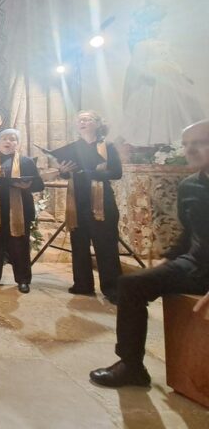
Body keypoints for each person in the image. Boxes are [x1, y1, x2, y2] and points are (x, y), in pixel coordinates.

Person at [90, 119, 209, 388]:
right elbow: (189, 233)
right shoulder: (190, 186)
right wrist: (169, 259)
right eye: (187, 144)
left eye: (199, 143)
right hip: (196, 265)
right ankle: (131, 366)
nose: (190, 150)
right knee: (131, 284)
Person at [58, 111, 123, 303]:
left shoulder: (107, 146)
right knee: (79, 244)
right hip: (77, 200)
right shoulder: (73, 148)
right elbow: (67, 173)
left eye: (86, 119)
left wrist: (91, 173)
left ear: (97, 123)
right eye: (79, 120)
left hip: (102, 201)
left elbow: (116, 173)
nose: (82, 122)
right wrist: (63, 171)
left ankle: (112, 288)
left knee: (106, 245)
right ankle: (83, 284)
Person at [0, 129, 44, 293]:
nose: (8, 142)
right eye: (5, 139)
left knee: (19, 246)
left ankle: (23, 280)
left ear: (17, 143)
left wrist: (27, 186)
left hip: (19, 210)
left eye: (13, 139)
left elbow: (39, 185)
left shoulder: (26, 162)